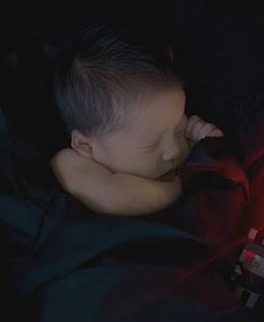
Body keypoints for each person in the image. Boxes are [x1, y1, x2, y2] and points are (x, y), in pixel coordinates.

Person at [49, 21, 229, 216]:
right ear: (86, 146)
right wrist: (178, 185)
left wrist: (203, 145)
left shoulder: (158, 135)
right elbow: (112, 196)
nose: (175, 150)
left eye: (179, 129)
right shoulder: (70, 163)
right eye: (150, 144)